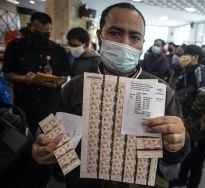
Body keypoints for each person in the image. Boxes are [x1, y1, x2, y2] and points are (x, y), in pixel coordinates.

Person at [31, 3, 190, 188]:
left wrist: (178, 142)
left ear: (142, 44)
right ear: (100, 35)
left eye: (134, 37)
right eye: (115, 32)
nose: (124, 43)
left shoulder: (162, 91)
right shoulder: (74, 87)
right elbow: (50, 135)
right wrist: (41, 147)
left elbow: (177, 153)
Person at [2, 12, 71, 188]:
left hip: (50, 107)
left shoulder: (58, 50)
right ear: (30, 27)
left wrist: (55, 81)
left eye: (47, 33)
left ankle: (54, 173)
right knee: (26, 149)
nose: (43, 37)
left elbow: (64, 76)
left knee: (52, 144)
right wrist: (25, 78)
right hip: (24, 108)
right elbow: (8, 74)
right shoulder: (15, 46)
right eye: (39, 33)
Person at [171, 45, 205, 188]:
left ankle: (192, 185)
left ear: (195, 57)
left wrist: (191, 116)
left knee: (197, 159)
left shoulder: (200, 70)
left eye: (185, 54)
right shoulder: (185, 72)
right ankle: (182, 180)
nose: (182, 57)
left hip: (200, 123)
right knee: (187, 154)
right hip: (187, 121)